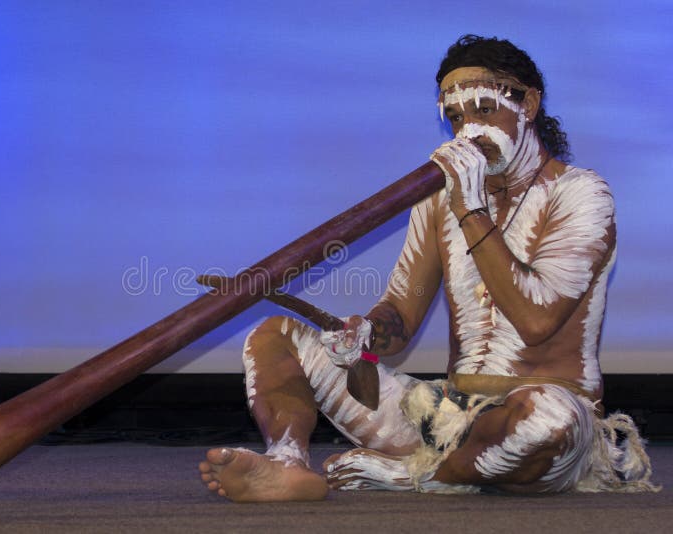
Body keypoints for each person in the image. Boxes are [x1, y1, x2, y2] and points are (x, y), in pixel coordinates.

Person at [198, 34, 658, 500]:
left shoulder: (582, 194)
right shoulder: (440, 201)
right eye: (456, 117)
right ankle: (287, 462)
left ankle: (411, 476)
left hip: (549, 414)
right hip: (445, 414)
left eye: (483, 109)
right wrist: (365, 334)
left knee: (547, 419)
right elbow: (401, 314)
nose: (468, 130)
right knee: (274, 335)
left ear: (530, 103)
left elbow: (537, 320)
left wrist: (470, 207)